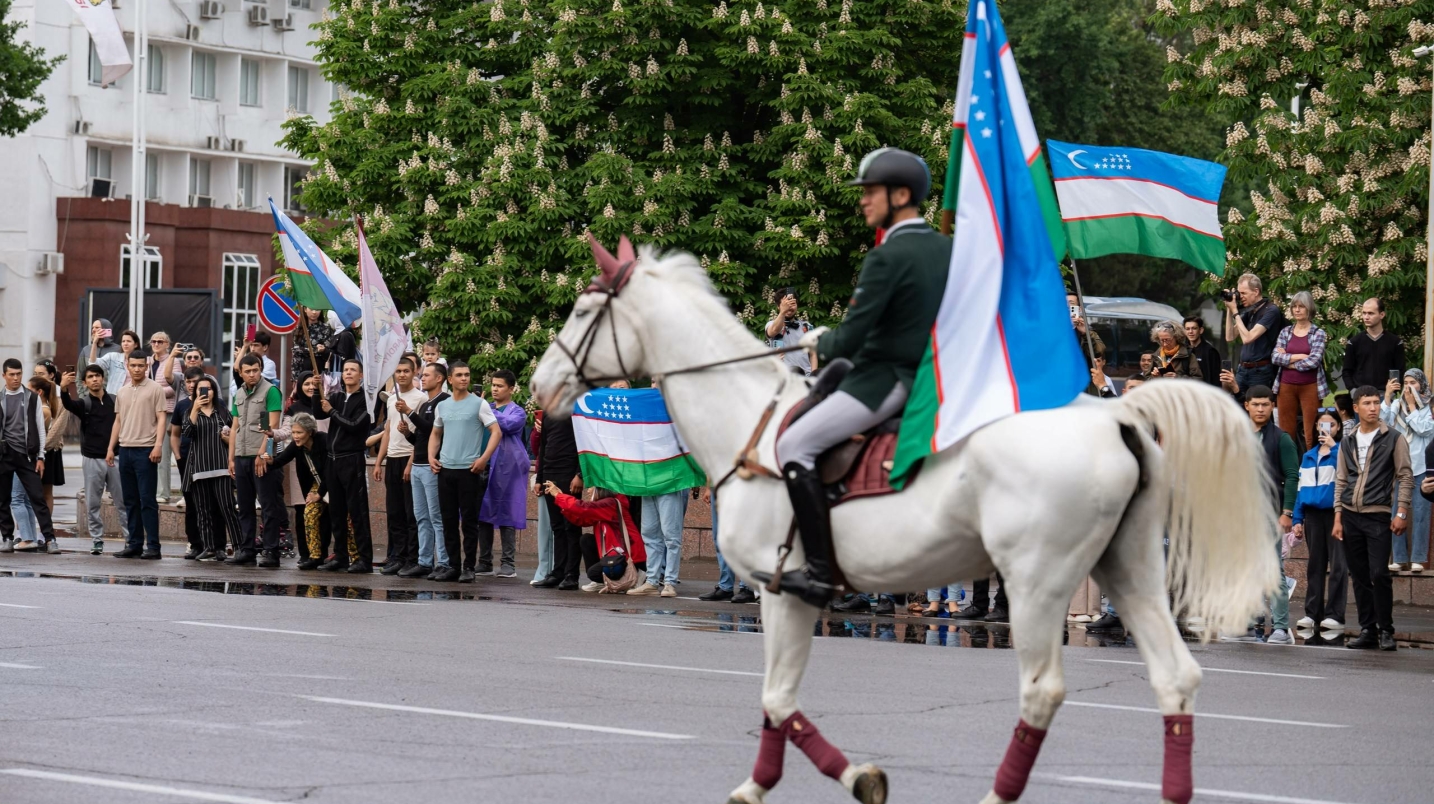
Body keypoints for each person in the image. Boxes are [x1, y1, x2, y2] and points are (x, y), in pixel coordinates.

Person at [758, 147, 950, 606]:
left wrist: (816, 343)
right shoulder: (949, 248)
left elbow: (853, 338)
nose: (863, 200)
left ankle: (822, 573)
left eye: (871, 192)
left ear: (901, 195)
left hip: (891, 379)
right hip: (938, 376)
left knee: (793, 445)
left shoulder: (887, 256)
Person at [1334, 385, 1412, 651]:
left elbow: (1405, 475)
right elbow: (1341, 479)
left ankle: (1386, 631)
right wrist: (1337, 517)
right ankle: (1368, 630)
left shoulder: (1393, 438)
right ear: (1355, 408)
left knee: (1379, 573)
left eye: (1376, 402)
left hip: (1378, 515)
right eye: (1367, 403)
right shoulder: (1348, 440)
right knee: (1359, 575)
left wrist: (1401, 512)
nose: (1373, 407)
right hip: (1349, 515)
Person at [428, 361, 500, 583]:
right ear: (450, 379)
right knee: (448, 520)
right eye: (459, 375)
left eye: (467, 375)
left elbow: (496, 432)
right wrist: (432, 456)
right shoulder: (443, 406)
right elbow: (435, 434)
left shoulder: (479, 404)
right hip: (445, 470)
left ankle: (469, 567)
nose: (464, 378)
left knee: (469, 521)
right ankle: (453, 566)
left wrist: (483, 459)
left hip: (469, 471)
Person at [1237, 386, 1299, 644]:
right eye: (1256, 404)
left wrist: (1286, 512)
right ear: (1246, 406)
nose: (1260, 409)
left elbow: (1292, 476)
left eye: (1265, 404)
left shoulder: (1281, 438)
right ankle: (1250, 623)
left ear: (1272, 406)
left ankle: (1281, 628)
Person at [60, 364, 128, 555]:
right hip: (92, 459)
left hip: (115, 458)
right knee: (92, 503)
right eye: (90, 377)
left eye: (98, 376)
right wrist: (64, 388)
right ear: (85, 382)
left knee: (122, 501)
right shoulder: (84, 404)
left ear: (103, 378)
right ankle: (97, 540)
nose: (95, 379)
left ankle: (130, 539)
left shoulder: (115, 400)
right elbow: (68, 405)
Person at [107, 350, 167, 558]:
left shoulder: (155, 389)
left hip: (146, 450)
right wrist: (110, 448)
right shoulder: (122, 391)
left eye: (141, 365)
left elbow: (161, 418)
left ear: (147, 366)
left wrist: (158, 445)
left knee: (147, 499)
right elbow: (118, 421)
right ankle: (134, 544)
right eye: (133, 365)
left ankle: (153, 547)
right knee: (130, 499)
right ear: (127, 366)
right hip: (125, 450)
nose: (137, 369)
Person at [1292, 410, 1347, 631]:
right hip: (1313, 515)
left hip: (1335, 514)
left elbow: (1346, 470)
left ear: (1338, 428)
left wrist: (1334, 446)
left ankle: (1335, 615)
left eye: (1332, 425)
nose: (1327, 429)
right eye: (1323, 425)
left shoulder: (1342, 451)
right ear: (1316, 427)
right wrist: (1297, 518)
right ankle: (1312, 613)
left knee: (1338, 566)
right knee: (1315, 565)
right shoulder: (1308, 456)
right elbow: (1300, 489)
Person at [228, 353, 284, 568]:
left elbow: (271, 427)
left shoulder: (270, 391)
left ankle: (271, 551)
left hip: (260, 456)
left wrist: (263, 454)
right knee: (244, 506)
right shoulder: (239, 394)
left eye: (256, 370)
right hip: (241, 456)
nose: (252, 374)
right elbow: (235, 427)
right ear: (241, 373)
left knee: (268, 506)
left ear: (261, 369)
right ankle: (247, 549)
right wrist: (231, 458)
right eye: (248, 371)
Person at [320, 359, 375, 573]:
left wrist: (332, 411)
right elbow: (319, 412)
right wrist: (318, 393)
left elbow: (354, 425)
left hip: (352, 459)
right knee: (336, 511)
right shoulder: (336, 396)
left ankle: (364, 559)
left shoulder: (365, 400)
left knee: (357, 511)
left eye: (353, 370)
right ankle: (340, 556)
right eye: (345, 370)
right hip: (333, 459)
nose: (348, 373)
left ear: (360, 375)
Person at [181, 376, 241, 561]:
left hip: (221, 467)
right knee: (203, 510)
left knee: (227, 508)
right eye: (200, 389)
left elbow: (234, 436)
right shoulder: (190, 412)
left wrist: (227, 437)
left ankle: (239, 547)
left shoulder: (223, 412)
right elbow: (187, 433)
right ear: (195, 392)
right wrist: (196, 408)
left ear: (214, 391)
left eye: (208, 389)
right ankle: (209, 547)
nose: (204, 392)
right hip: (199, 467)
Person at [273, 372, 329, 569]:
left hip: (327, 468)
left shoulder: (325, 404)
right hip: (304, 469)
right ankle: (306, 554)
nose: (310, 387)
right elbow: (287, 434)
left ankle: (324, 555)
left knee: (327, 516)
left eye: (313, 384)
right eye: (305, 384)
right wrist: (271, 435)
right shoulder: (294, 408)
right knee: (302, 510)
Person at [0, 361, 56, 554]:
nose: (16, 378)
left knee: (37, 498)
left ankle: (50, 539)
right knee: (3, 499)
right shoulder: (0, 398)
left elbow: (41, 429)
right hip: (4, 455)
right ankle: (7, 538)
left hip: (28, 456)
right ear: (4, 375)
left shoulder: (32, 398)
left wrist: (41, 457)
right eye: (12, 374)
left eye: (19, 374)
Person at [375, 357, 425, 576]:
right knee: (394, 512)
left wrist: (411, 463)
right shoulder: (391, 399)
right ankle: (397, 556)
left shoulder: (420, 398)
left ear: (414, 372)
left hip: (409, 457)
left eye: (406, 371)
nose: (402, 375)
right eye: (398, 371)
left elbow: (422, 434)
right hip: (392, 458)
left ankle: (411, 558)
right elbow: (388, 430)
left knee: (410, 513)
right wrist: (379, 461)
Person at [545, 482, 646, 587]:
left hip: (629, 556)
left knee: (593, 573)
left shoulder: (611, 503)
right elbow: (582, 520)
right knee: (586, 540)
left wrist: (559, 496)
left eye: (591, 488)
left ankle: (636, 574)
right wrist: (562, 501)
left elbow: (583, 508)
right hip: (616, 552)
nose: (588, 491)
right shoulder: (605, 503)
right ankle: (602, 582)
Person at [403, 361, 451, 579]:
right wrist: (407, 434)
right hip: (418, 464)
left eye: (427, 375)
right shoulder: (425, 404)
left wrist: (409, 413)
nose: (422, 378)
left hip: (433, 465)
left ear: (439, 378)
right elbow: (421, 438)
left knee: (436, 516)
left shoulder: (444, 401)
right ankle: (424, 561)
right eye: (422, 375)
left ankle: (443, 561)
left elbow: (434, 431)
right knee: (421, 516)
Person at [477, 369, 527, 578]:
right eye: (493, 385)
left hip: (508, 467)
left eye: (499, 386)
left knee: (508, 513)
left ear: (511, 388)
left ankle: (508, 564)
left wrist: (482, 409)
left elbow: (506, 425)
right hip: (483, 464)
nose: (494, 389)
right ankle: (484, 562)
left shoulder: (518, 411)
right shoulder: (485, 407)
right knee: (483, 514)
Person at [1381, 368, 1432, 573]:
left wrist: (1412, 407)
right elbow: (1383, 423)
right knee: (1396, 511)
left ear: (1422, 384)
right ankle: (1399, 558)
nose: (1410, 386)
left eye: (1414, 382)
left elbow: (1425, 429)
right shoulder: (1396, 404)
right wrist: (1387, 395)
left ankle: (1419, 558)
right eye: (1406, 382)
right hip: (1401, 467)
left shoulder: (1429, 406)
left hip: (1422, 466)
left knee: (1421, 512)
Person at [534, 395, 584, 590]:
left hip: (569, 474)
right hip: (550, 473)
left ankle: (572, 575)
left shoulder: (578, 410)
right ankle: (558, 571)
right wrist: (539, 478)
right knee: (557, 527)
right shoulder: (548, 412)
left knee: (571, 527)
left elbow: (585, 444)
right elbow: (543, 447)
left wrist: (580, 474)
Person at [1271, 291, 1330, 450]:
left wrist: (1288, 360)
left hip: (1310, 387)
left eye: (1301, 307)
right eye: (1294, 307)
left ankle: (1311, 467)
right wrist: (1299, 356)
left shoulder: (1318, 333)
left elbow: (1314, 361)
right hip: (1285, 387)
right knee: (1285, 432)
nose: (1297, 310)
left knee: (1311, 432)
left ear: (1309, 308)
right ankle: (1288, 470)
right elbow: (1275, 357)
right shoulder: (1285, 332)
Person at [628, 484, 693, 598]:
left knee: (671, 536)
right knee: (650, 535)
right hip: (648, 487)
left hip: (668, 484)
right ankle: (652, 581)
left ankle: (669, 582)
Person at [1224, 273, 1285, 393]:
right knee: (1239, 406)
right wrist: (1229, 308)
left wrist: (1235, 311)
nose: (1240, 297)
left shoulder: (1271, 310)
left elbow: (1248, 338)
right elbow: (1229, 337)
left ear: (1256, 292)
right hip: (1242, 369)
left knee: (1258, 407)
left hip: (1260, 371)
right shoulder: (1250, 311)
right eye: (1239, 293)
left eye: (1244, 293)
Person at [169, 368, 207, 558]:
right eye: (188, 382)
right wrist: (177, 456)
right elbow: (174, 433)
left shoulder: (216, 404)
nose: (192, 385)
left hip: (209, 461)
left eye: (196, 382)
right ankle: (195, 544)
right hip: (186, 459)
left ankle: (213, 545)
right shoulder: (182, 405)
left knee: (210, 502)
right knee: (191, 503)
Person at [698, 487, 755, 603]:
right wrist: (709, 487)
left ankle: (747, 587)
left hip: (741, 487)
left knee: (742, 537)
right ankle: (725, 587)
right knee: (720, 538)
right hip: (719, 487)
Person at [147, 332, 183, 502]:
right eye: (153, 341)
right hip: (148, 412)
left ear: (167, 344)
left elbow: (174, 387)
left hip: (167, 411)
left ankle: (163, 493)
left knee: (163, 453)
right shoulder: (147, 361)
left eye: (160, 341)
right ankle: (150, 491)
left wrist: (154, 392)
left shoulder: (174, 361)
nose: (156, 344)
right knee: (148, 453)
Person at [1343, 297, 1404, 392]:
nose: (1366, 317)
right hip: (1360, 394)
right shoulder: (1354, 342)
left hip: (1386, 394)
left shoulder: (1395, 342)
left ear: (1382, 314)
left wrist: (1392, 392)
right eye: (1364, 313)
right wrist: (1353, 390)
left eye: (1371, 313)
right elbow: (1347, 371)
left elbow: (1400, 370)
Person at [527, 409, 554, 585]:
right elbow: (537, 450)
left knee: (562, 529)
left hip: (566, 476)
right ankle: (544, 569)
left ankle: (561, 569)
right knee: (544, 528)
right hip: (545, 476)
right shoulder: (548, 415)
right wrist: (538, 432)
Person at [765, 288, 816, 376]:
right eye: (785, 304)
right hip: (783, 377)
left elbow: (813, 354)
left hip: (805, 377)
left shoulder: (806, 326)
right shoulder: (771, 324)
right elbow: (773, 331)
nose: (789, 307)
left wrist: (814, 376)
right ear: (778, 306)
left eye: (792, 304)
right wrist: (783, 312)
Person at [229, 330, 279, 398]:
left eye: (256, 345)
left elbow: (255, 380)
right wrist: (245, 347)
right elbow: (234, 386)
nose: (252, 349)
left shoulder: (269, 363)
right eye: (251, 345)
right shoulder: (245, 359)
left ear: (265, 347)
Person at [291, 307, 334, 379]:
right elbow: (296, 353)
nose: (314, 312)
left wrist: (322, 350)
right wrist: (295, 378)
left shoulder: (326, 329)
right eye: (311, 309)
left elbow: (329, 351)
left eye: (317, 309)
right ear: (305, 310)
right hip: (302, 369)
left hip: (319, 368)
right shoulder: (298, 330)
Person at [1067, 291, 1107, 366]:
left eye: (1071, 303)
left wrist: (1086, 334)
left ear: (1079, 309)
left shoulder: (1087, 331)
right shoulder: (1053, 330)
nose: (1067, 306)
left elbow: (1098, 352)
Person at [1183, 316, 1221, 386]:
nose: (1190, 332)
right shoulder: (1182, 350)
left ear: (1201, 330)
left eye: (1194, 328)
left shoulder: (1210, 351)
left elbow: (1215, 379)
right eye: (1187, 329)